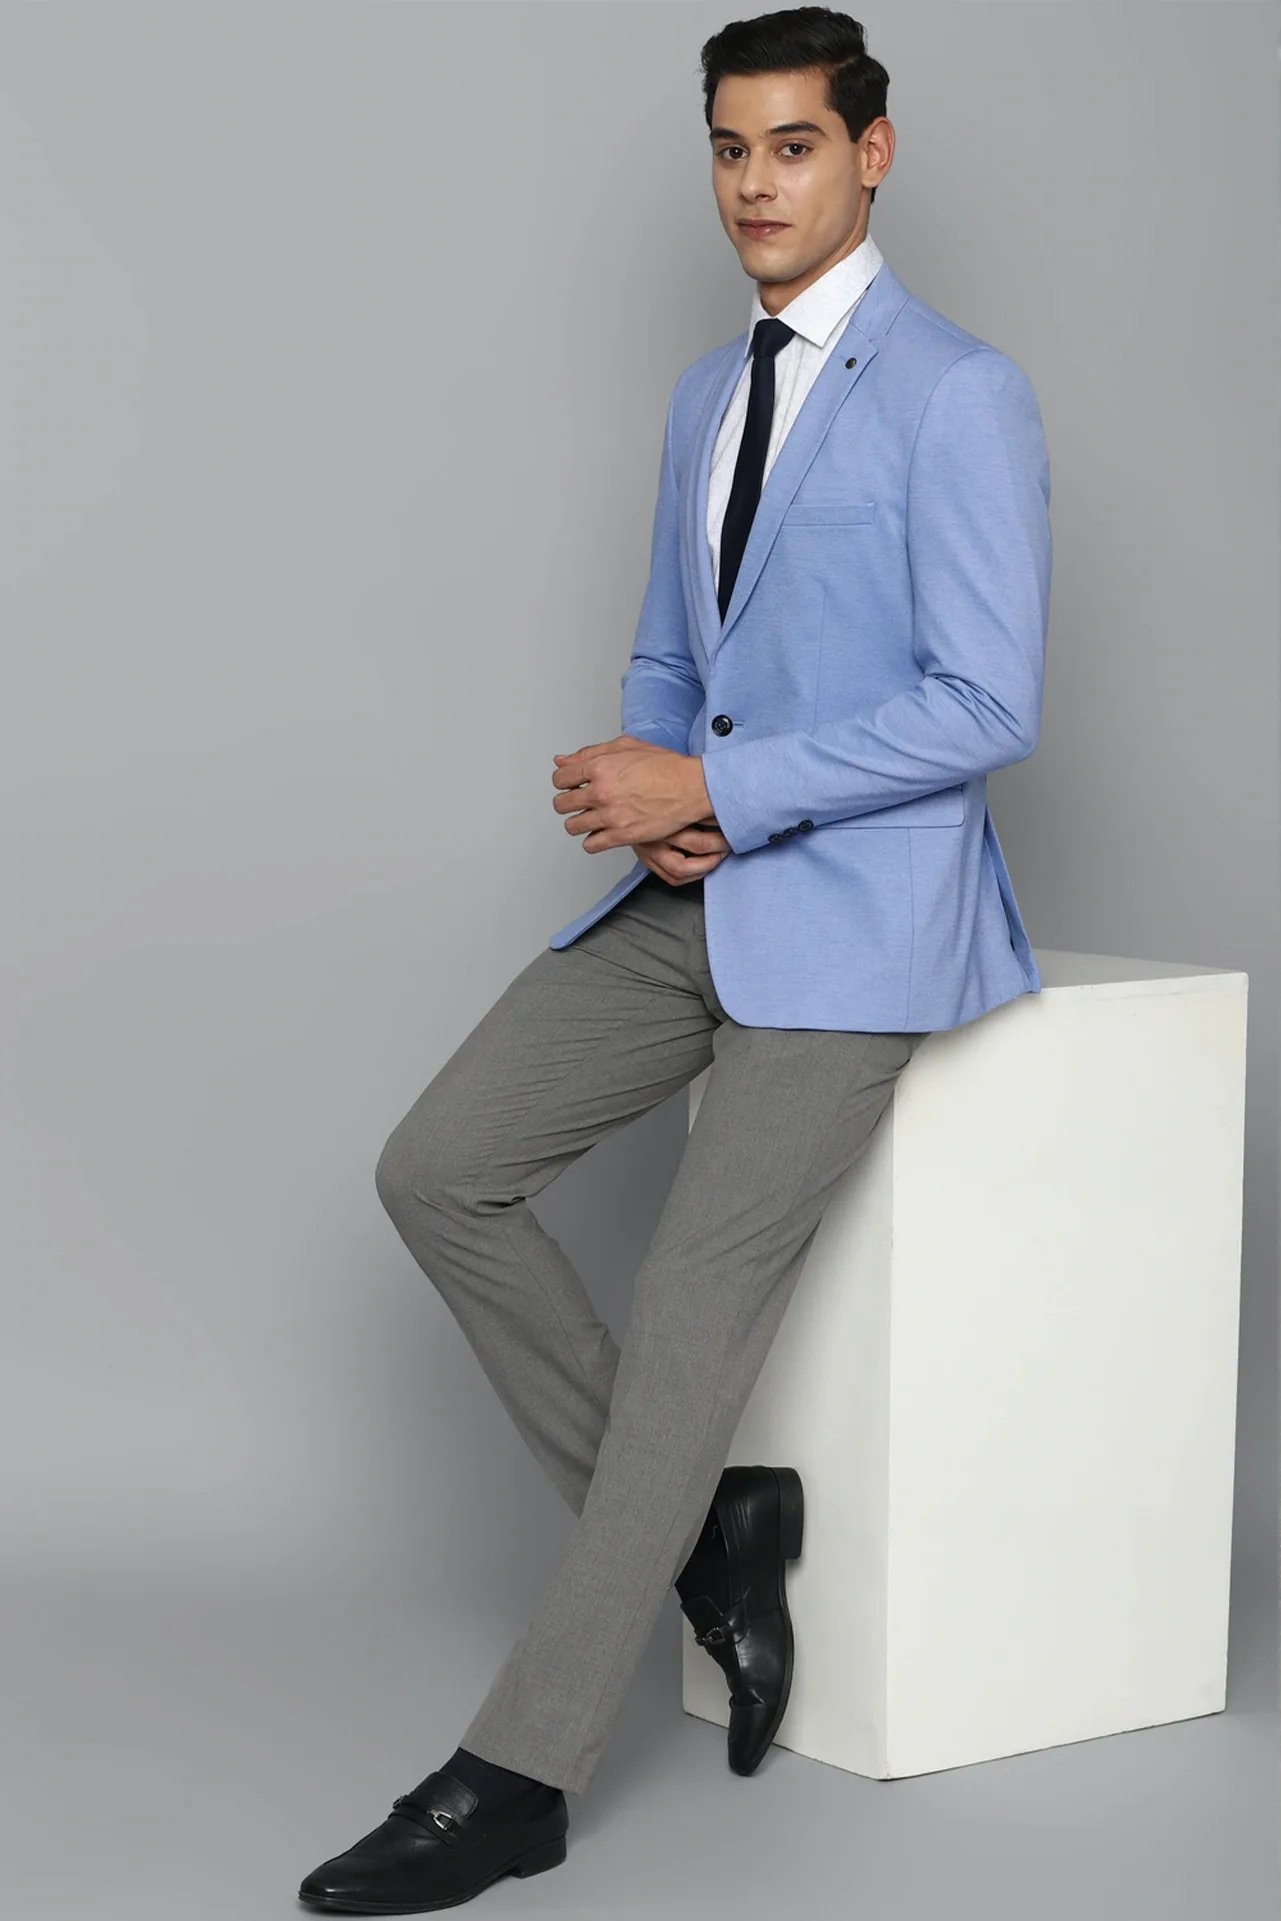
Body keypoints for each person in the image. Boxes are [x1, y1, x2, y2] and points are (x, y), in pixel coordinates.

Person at [298, 6, 1051, 1910]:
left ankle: (520, 1774)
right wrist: (655, 790)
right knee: (439, 1170)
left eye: (792, 146)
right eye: (728, 148)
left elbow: (989, 700)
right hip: (693, 895)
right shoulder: (705, 396)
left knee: (691, 1316)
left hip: (858, 925)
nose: (753, 186)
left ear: (872, 152)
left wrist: (730, 785)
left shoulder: (960, 393)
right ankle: (716, 1533)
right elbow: (669, 653)